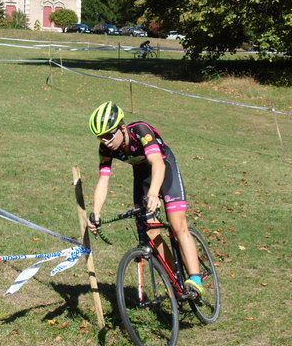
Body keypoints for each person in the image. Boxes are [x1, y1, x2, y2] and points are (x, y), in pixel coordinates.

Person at [86, 101, 205, 296]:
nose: (105, 141)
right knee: (150, 229)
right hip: (142, 175)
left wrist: (153, 194)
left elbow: (157, 163)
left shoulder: (141, 131)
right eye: (100, 137)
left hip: (165, 168)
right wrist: (96, 213)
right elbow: (103, 180)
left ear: (122, 128)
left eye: (109, 135)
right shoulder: (105, 149)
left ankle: (196, 279)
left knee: (177, 224)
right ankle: (176, 278)